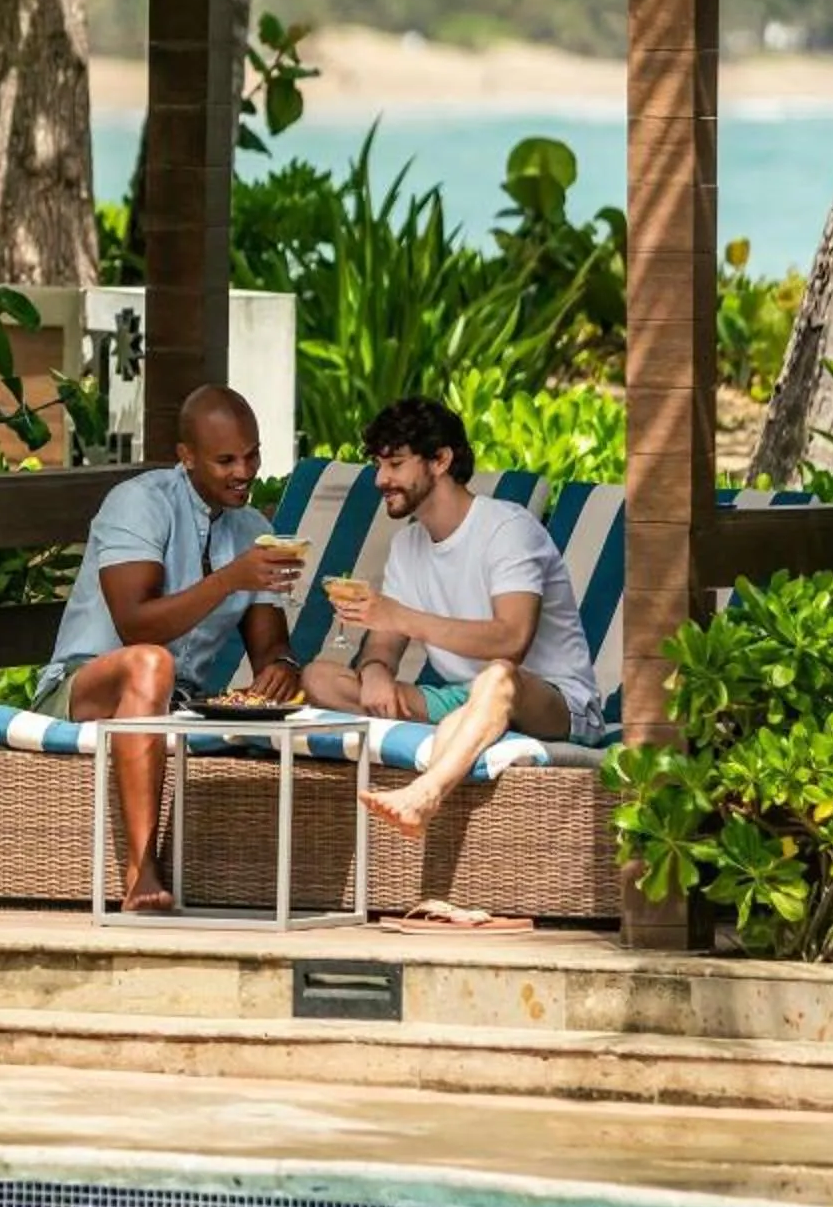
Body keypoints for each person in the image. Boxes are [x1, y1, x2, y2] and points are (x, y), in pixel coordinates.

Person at [30, 385, 299, 911]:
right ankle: (140, 868)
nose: (244, 471)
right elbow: (135, 626)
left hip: (181, 703)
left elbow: (271, 646)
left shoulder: (253, 530)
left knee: (306, 687)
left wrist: (282, 668)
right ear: (187, 457)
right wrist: (229, 579)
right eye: (225, 460)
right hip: (82, 689)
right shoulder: (139, 503)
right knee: (151, 663)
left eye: (252, 455)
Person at [297, 396, 602, 844]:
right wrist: (376, 672)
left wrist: (402, 616)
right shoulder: (408, 545)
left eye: (396, 464)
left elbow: (511, 640)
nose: (382, 479)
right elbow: (383, 644)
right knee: (320, 678)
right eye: (380, 465)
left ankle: (425, 794)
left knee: (498, 678)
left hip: (550, 700)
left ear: (440, 460)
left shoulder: (506, 530)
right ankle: (464, 737)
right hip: (458, 700)